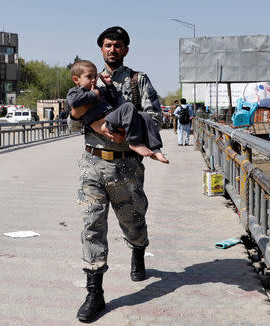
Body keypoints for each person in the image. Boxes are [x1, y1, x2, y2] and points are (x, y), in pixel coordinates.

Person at [67, 26, 163, 322]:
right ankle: (94, 292)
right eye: (108, 45)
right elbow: (70, 123)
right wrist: (86, 121)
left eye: (118, 45)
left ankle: (138, 248)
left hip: (127, 165)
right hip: (93, 164)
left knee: (133, 221)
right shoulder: (87, 81)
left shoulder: (138, 80)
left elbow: (157, 117)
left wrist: (127, 130)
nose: (112, 49)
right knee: (92, 224)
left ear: (126, 49)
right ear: (101, 49)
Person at [66, 60, 168, 163]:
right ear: (76, 79)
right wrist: (92, 95)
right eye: (89, 77)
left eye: (94, 76)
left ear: (126, 49)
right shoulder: (76, 92)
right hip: (100, 139)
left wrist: (109, 85)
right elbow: (73, 102)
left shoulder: (136, 78)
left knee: (144, 116)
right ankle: (135, 142)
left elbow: (113, 99)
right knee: (128, 107)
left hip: (115, 123)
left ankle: (155, 149)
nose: (93, 80)